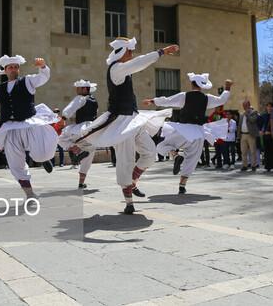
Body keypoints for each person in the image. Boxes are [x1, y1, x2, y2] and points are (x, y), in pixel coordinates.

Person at [71, 38, 177, 214]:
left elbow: (136, 63)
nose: (132, 54)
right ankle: (129, 202)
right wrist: (162, 51)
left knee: (150, 153)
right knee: (125, 161)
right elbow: (139, 63)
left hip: (134, 119)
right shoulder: (116, 69)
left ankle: (133, 181)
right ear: (122, 52)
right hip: (121, 123)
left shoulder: (123, 70)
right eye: (129, 51)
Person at [0, 55, 59, 198]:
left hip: (30, 123)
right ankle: (30, 194)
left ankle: (44, 159)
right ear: (5, 70)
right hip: (10, 127)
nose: (13, 69)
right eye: (10, 67)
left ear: (18, 69)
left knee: (41, 153)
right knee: (15, 163)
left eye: (16, 67)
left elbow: (43, 77)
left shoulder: (27, 81)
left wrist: (43, 67)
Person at [145, 73, 232, 193]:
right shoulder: (207, 98)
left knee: (161, 146)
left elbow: (168, 101)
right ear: (201, 86)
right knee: (192, 159)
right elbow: (222, 100)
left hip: (183, 130)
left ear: (192, 84)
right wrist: (227, 88)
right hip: (198, 133)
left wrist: (153, 101)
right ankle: (182, 185)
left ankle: (175, 156)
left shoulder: (184, 96)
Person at [59, 79, 99, 189]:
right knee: (89, 154)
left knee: (61, 138)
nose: (76, 90)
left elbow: (71, 107)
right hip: (93, 130)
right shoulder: (94, 100)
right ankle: (81, 183)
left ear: (85, 89)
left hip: (81, 129)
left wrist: (63, 117)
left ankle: (75, 149)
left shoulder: (81, 98)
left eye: (79, 88)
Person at [238, 100, 260, 172]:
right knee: (243, 151)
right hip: (243, 134)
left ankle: (254, 165)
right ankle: (244, 165)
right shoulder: (241, 114)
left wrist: (247, 114)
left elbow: (252, 120)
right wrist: (239, 135)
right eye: (243, 105)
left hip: (251, 135)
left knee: (253, 151)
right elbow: (239, 125)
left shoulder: (254, 112)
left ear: (249, 105)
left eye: (246, 105)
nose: (244, 107)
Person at [259, 102, 273, 171]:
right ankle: (267, 166)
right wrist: (261, 131)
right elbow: (260, 124)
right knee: (266, 151)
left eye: (270, 106)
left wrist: (271, 132)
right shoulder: (264, 115)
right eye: (268, 106)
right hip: (265, 136)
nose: (269, 108)